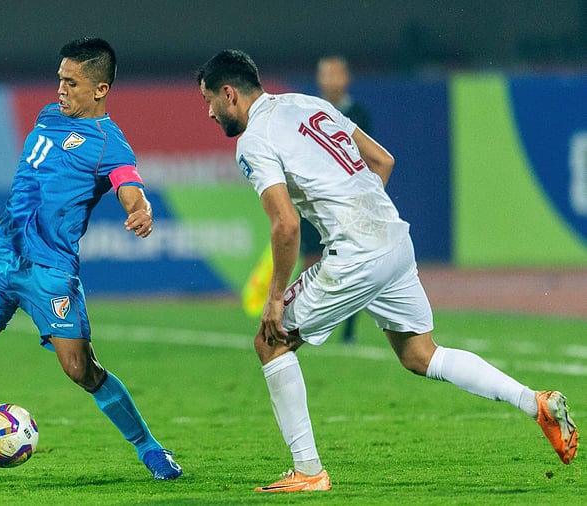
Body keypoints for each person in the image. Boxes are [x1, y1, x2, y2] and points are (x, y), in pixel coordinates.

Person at [195, 49, 577, 493]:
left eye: (209, 101)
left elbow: (286, 224)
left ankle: (308, 471)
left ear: (229, 93)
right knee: (420, 354)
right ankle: (535, 403)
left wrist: (275, 297)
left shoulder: (253, 140)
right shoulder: (309, 104)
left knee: (270, 342)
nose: (209, 113)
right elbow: (382, 161)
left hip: (356, 252)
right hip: (393, 239)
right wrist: (364, 217)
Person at [0, 37, 182, 483]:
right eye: (59, 80)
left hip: (50, 271)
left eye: (72, 83)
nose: (61, 90)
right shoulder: (48, 117)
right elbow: (31, 185)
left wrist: (140, 210)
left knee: (80, 368)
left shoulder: (109, 144)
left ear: (101, 88)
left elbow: (130, 186)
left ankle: (150, 448)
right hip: (1, 258)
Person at [304, 55, 372, 343]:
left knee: (353, 263)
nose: (330, 79)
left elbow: (369, 158)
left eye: (335, 73)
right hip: (314, 199)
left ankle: (348, 330)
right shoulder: (307, 111)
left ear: (346, 78)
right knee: (311, 262)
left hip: (348, 202)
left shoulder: (359, 114)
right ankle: (306, 322)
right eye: (325, 74)